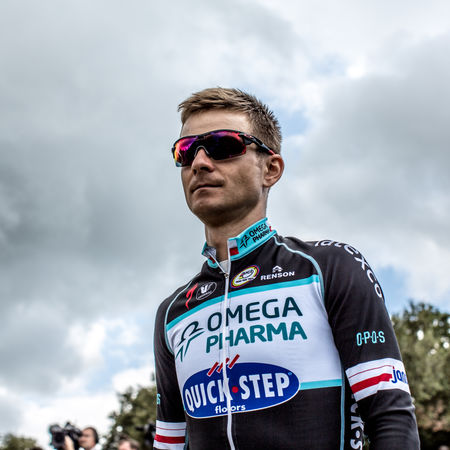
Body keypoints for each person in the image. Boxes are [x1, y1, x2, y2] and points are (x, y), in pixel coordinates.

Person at [153, 87, 420, 449]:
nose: (199, 162)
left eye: (222, 145)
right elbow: (168, 442)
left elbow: (392, 420)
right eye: (185, 152)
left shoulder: (329, 267)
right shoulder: (172, 312)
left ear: (271, 169)